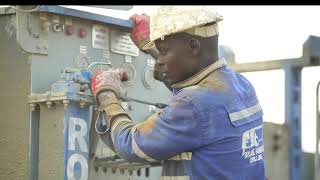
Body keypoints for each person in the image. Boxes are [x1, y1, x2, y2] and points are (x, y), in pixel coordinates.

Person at [91, 6, 265, 180]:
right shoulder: (240, 85)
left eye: (164, 51)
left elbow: (129, 144)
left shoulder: (192, 105)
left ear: (193, 46)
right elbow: (196, 94)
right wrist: (151, 44)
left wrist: (106, 93)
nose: (159, 60)